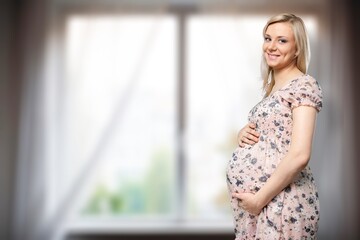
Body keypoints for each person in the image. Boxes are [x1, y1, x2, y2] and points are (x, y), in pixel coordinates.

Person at [226, 13, 323, 239]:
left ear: (298, 48)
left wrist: (259, 200)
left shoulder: (304, 85)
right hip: (261, 207)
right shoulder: (272, 87)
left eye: (282, 40)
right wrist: (245, 133)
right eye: (268, 38)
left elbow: (300, 154)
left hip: (282, 204)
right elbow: (276, 134)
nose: (271, 46)